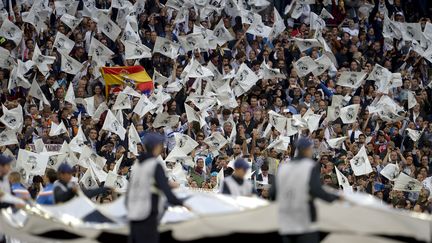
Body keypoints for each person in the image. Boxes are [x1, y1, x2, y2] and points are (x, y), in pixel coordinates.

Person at [274, 138, 343, 243]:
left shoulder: (283, 167)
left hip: (286, 222)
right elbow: (316, 190)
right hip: (304, 220)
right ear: (306, 150)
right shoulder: (309, 166)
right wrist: (336, 197)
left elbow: (273, 193)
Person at [126, 132, 187, 243]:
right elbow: (168, 194)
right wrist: (184, 204)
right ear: (156, 146)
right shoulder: (155, 165)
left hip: (133, 215)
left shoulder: (137, 165)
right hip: (147, 215)